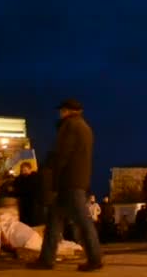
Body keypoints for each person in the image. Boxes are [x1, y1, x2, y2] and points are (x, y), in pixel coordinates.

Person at [27, 99, 102, 271]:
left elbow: (62, 154)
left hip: (69, 181)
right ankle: (46, 259)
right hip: (76, 180)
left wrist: (52, 171)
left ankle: (95, 258)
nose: (60, 113)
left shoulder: (69, 126)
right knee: (54, 221)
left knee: (83, 222)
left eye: (62, 110)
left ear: (68, 111)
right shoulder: (85, 127)